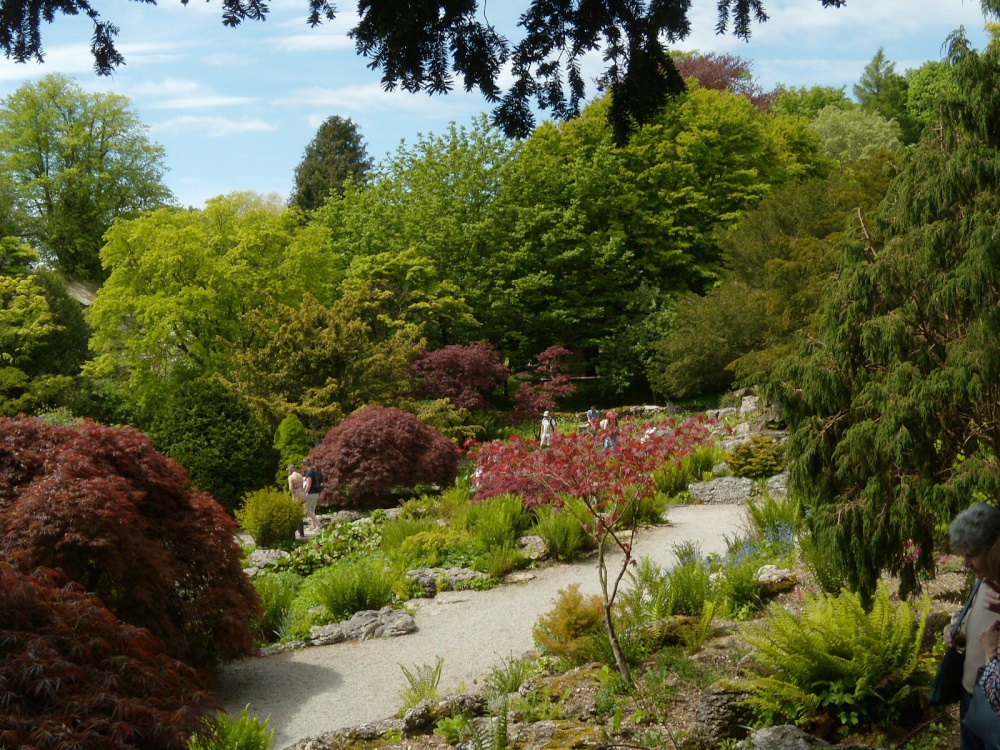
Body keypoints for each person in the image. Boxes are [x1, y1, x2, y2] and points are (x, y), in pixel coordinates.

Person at [947, 503, 1000, 749]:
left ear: (994, 548)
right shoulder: (982, 581)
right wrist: (961, 635)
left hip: (994, 702)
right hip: (971, 696)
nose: (966, 563)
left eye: (972, 555)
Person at [301, 460, 321, 532]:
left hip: (311, 493)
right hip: (316, 493)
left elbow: (308, 485)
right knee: (312, 510)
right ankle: (313, 526)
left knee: (307, 510)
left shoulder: (309, 473)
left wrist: (304, 494)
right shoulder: (313, 471)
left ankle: (318, 524)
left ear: (305, 465)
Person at [287, 464, 306, 538]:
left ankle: (298, 531)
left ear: (290, 470)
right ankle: (302, 532)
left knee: (296, 513)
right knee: (300, 513)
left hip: (296, 496)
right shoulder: (300, 475)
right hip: (302, 494)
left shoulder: (291, 477)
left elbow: (290, 488)